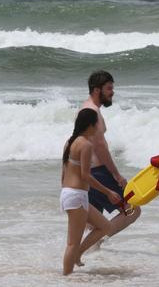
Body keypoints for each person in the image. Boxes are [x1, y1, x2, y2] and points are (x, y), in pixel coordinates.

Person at [81, 71, 140, 238]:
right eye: (108, 88)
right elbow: (99, 146)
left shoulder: (86, 109)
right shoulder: (92, 112)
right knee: (132, 209)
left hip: (88, 172)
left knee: (92, 221)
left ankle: (85, 255)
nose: (112, 92)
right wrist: (116, 175)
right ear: (97, 90)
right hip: (99, 173)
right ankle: (93, 243)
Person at [61, 108, 116, 275]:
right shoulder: (85, 145)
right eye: (96, 124)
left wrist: (66, 192)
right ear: (90, 125)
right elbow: (86, 176)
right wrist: (108, 192)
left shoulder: (70, 142)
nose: (98, 127)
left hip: (71, 194)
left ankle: (78, 254)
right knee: (72, 243)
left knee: (105, 226)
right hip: (76, 196)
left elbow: (63, 172)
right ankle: (66, 279)